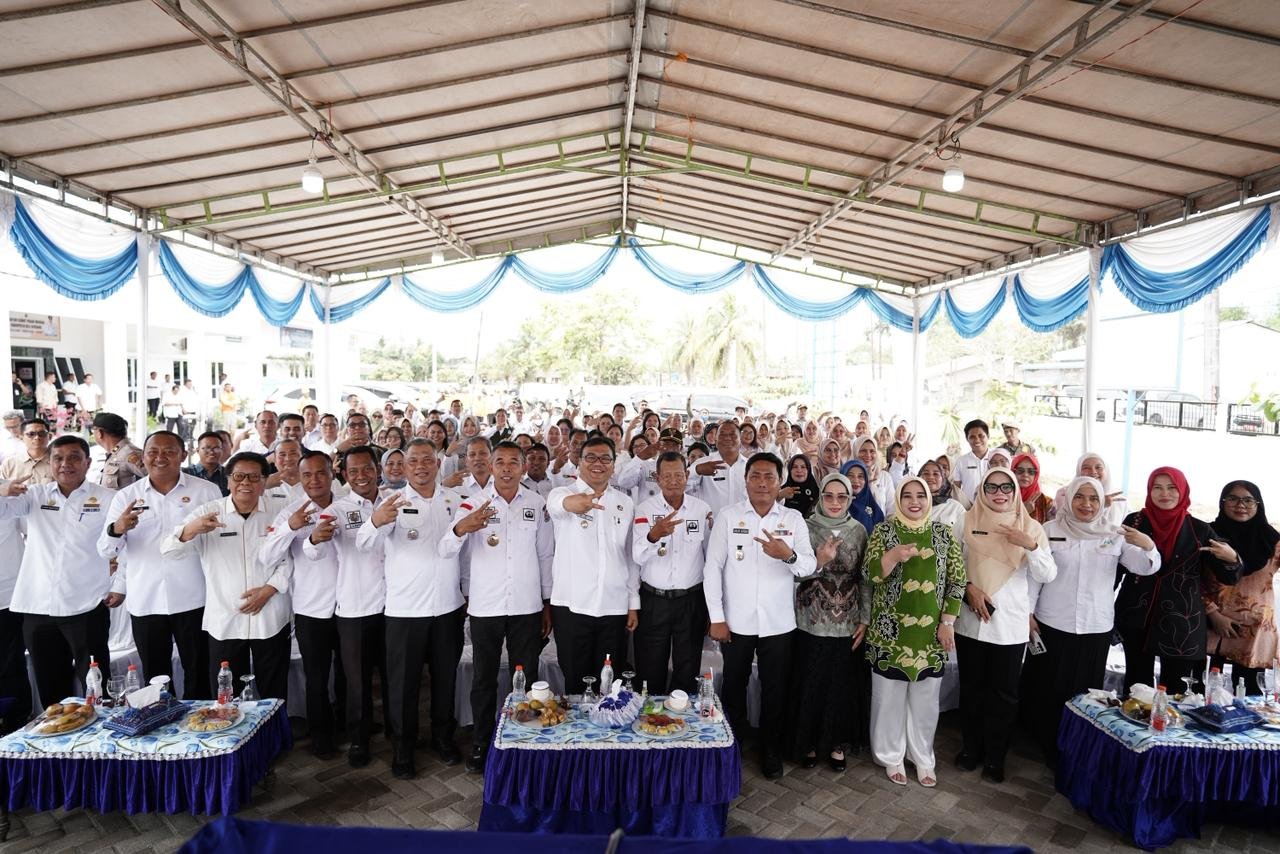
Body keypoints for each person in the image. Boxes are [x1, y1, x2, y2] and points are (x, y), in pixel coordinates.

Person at [1022, 476, 1159, 763]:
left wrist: (1147, 545)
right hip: (1052, 622)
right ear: (1069, 499)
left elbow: (1145, 567)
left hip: (1095, 626)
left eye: (1094, 498)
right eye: (1080, 497)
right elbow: (1035, 575)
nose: (1086, 504)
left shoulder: (1115, 533)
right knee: (1049, 685)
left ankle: (1075, 746)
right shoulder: (1049, 529)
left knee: (1085, 689)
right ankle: (1045, 741)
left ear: (1101, 502)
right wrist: (1028, 613)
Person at [442, 441, 554, 773]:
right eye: (500, 462)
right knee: (484, 678)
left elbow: (545, 555)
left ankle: (526, 736)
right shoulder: (473, 504)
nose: (506, 468)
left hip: (526, 604)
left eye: (513, 463)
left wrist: (547, 604)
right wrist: (463, 527)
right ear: (490, 467)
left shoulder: (536, 502)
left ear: (523, 467)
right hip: (486, 605)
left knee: (528, 674)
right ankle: (481, 740)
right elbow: (449, 549)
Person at [703, 452, 816, 780]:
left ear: (780, 481)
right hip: (735, 621)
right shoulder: (728, 516)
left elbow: (808, 565)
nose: (763, 483)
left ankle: (770, 750)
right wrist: (716, 616)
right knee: (734, 685)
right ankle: (731, 747)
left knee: (775, 689)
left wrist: (788, 555)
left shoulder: (792, 520)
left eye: (769, 477)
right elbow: (713, 567)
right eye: (756, 476)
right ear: (746, 479)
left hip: (778, 623)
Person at [356, 439, 465, 776]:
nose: (421, 466)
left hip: (448, 605)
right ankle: (403, 747)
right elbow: (363, 543)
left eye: (427, 460)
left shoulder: (454, 500)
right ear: (403, 468)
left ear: (437, 464)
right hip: (405, 610)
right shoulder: (393, 502)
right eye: (413, 461)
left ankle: (443, 737)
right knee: (403, 684)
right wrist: (375, 521)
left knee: (445, 678)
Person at [0, 436, 121, 710]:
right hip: (38, 606)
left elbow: (124, 546)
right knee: (51, 692)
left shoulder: (107, 498)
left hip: (86, 605)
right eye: (58, 458)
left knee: (96, 687)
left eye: (74, 457)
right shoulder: (33, 495)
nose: (66, 464)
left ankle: (99, 745)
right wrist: (3, 488)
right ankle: (57, 743)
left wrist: (119, 584)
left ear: (88, 462)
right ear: (49, 462)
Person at [99, 431, 222, 698]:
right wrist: (118, 527)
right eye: (153, 452)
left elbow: (219, 543)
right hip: (146, 599)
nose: (160, 458)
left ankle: (197, 728)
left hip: (195, 596)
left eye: (169, 451)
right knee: (156, 677)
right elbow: (106, 549)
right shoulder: (125, 497)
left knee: (199, 670)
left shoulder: (206, 491)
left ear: (183, 455)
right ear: (143, 457)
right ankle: (162, 726)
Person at [160, 452, 292, 701]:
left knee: (275, 691)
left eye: (254, 477)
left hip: (271, 615)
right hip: (226, 619)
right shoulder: (209, 512)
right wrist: (190, 530)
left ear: (265, 481)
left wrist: (268, 590)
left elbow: (290, 559)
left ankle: (275, 739)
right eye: (239, 476)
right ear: (228, 481)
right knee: (227, 695)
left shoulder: (279, 511)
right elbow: (168, 550)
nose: (246, 483)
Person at [862, 476, 965, 788]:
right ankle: (890, 754)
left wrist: (947, 622)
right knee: (888, 699)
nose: (914, 501)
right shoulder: (884, 530)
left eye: (921, 495)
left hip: (931, 635)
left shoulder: (943, 534)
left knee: (925, 702)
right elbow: (868, 573)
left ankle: (922, 756)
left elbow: (957, 580)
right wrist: (893, 557)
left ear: (929, 499)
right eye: (907, 496)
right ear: (898, 499)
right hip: (888, 634)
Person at [954, 466, 1054, 784]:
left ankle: (996, 757)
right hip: (970, 621)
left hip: (1009, 627)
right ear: (982, 491)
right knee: (971, 691)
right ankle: (971, 749)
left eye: (1006, 488)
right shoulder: (965, 521)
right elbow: (953, 566)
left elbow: (1047, 575)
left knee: (1004, 695)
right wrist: (969, 587)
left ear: (1014, 492)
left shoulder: (1032, 528)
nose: (999, 493)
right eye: (992, 487)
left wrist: (1029, 545)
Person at [1115, 467, 1241, 693]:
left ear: (1183, 491)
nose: (1165, 494)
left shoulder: (1199, 530)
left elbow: (1228, 576)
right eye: (1158, 487)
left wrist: (1232, 558)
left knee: (1176, 691)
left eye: (1172, 488)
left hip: (1181, 621)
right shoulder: (1135, 521)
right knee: (1136, 686)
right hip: (1136, 615)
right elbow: (1116, 566)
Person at [302, 445, 387, 767]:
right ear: (344, 475)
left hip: (395, 605)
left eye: (367, 469)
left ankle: (395, 733)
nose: (361, 476)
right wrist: (314, 540)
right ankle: (359, 740)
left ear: (377, 469)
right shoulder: (338, 509)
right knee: (358, 681)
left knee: (392, 678)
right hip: (356, 607)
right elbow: (314, 552)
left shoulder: (396, 499)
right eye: (353, 472)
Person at [261, 451, 346, 759]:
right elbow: (266, 556)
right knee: (317, 676)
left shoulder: (349, 505)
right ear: (299, 477)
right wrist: (291, 527)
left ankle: (350, 726)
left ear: (332, 473)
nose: (314, 480)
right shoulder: (290, 513)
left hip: (352, 606)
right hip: (312, 608)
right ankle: (321, 736)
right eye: (307, 475)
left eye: (320, 473)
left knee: (350, 673)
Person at [788, 472, 869, 772]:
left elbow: (865, 578)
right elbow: (793, 573)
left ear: (850, 499)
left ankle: (837, 742)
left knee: (840, 683)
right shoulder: (805, 527)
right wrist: (819, 561)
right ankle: (808, 742)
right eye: (829, 496)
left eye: (842, 497)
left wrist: (866, 616)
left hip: (847, 619)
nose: (835, 502)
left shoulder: (859, 530)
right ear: (820, 497)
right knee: (811, 679)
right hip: (810, 617)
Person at [546, 436, 638, 693]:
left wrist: (633, 604)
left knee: (610, 682)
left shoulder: (625, 503)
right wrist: (573, 503)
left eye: (605, 458)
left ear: (613, 465)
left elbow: (630, 558)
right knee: (576, 682)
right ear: (579, 462)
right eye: (591, 458)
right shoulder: (563, 493)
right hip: (572, 605)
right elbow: (556, 506)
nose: (598, 463)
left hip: (614, 605)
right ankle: (576, 734)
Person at [632, 451, 713, 696]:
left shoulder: (701, 509)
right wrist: (653, 535)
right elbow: (637, 555)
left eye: (679, 475)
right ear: (657, 479)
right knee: (649, 666)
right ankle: (649, 720)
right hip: (654, 600)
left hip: (691, 600)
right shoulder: (644, 508)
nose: (673, 481)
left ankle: (681, 723)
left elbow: (711, 558)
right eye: (667, 476)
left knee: (687, 667)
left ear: (687, 475)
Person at [1204, 481, 1280, 691]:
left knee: (1249, 698)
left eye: (1248, 500)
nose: (1241, 505)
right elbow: (1193, 580)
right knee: (1203, 693)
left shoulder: (1273, 541)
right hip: (1212, 624)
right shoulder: (1208, 535)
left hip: (1254, 629)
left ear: (1258, 504)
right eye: (1233, 499)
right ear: (1223, 502)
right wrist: (1213, 614)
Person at [1052, 453, 1126, 526]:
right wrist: (1101, 504)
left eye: (1098, 467)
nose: (1093, 472)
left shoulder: (1118, 499)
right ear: (1078, 471)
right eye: (1086, 468)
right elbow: (1063, 522)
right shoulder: (1065, 493)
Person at [91, 412, 145, 490]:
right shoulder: (116, 453)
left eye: (93, 430)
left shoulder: (128, 454)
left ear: (100, 433)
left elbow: (158, 477)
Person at [917, 459, 965, 540]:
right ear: (918, 478)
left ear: (943, 480)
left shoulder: (955, 508)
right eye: (925, 473)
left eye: (936, 474)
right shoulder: (909, 504)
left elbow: (966, 539)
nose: (930, 477)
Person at [0, 418, 52, 484]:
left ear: (49, 436)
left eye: (42, 433)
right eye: (31, 434)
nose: (37, 437)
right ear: (21, 438)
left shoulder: (59, 463)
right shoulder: (9, 464)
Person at [952, 420, 990, 504]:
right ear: (967, 439)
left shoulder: (996, 458)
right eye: (972, 437)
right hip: (968, 507)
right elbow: (956, 489)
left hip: (994, 508)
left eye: (981, 436)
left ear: (988, 436)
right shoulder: (961, 461)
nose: (977, 440)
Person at [855, 437, 895, 515]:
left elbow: (892, 507)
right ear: (855, 452)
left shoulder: (885, 477)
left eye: (872, 451)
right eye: (863, 451)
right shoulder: (848, 476)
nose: (868, 455)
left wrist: (886, 526)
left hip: (882, 525)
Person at [1011, 453, 1054, 524]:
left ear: (1036, 475)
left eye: (1031, 472)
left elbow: (1052, 531)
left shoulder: (1047, 502)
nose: (1025, 475)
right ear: (1013, 472)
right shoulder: (1004, 498)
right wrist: (1023, 511)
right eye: (1020, 471)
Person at [185, 431, 230, 496]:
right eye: (206, 448)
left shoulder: (228, 475)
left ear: (221, 450)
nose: (211, 452)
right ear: (198, 450)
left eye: (216, 448)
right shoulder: (186, 473)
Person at [780, 453, 818, 518]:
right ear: (790, 470)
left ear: (808, 470)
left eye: (803, 467)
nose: (799, 470)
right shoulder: (781, 491)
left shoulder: (817, 491)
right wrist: (779, 496)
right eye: (795, 467)